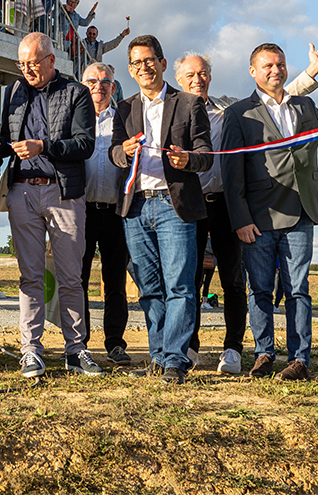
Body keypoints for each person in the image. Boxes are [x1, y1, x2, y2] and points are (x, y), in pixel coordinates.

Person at [175, 37, 318, 374]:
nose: (198, 79)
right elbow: (233, 171)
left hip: (270, 208)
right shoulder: (192, 110)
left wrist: (315, 70)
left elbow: (296, 103)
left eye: (203, 72)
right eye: (191, 74)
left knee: (270, 286)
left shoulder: (238, 108)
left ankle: (282, 356)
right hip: (211, 209)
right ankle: (223, 350)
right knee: (211, 283)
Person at [221, 43, 318, 382]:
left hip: (301, 211)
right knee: (259, 289)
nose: (276, 70)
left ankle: (300, 359)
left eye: (281, 64)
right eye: (267, 65)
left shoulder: (306, 105)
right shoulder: (239, 113)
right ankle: (264, 353)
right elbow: (231, 169)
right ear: (253, 71)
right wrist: (240, 219)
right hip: (259, 215)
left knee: (298, 287)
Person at [0, 32, 103, 378]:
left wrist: (43, 146)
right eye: (22, 64)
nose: (27, 70)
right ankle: (31, 350)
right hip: (22, 191)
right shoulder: (13, 92)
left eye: (32, 63)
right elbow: (4, 141)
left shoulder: (76, 92)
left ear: (51, 61)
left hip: (64, 194)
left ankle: (76, 350)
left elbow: (85, 144)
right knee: (30, 277)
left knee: (71, 277)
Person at [110, 35, 212, 384]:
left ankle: (175, 360)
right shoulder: (123, 108)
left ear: (163, 63)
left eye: (149, 60)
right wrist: (123, 150)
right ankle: (157, 354)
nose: (144, 67)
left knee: (180, 286)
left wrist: (187, 159)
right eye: (136, 63)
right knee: (148, 287)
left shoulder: (188, 103)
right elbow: (114, 154)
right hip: (136, 206)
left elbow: (205, 153)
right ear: (130, 69)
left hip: (174, 203)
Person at [79, 62, 131, 365]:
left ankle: (115, 342)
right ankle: (81, 342)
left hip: (115, 211)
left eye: (105, 81)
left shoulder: (123, 120)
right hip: (81, 211)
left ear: (113, 87)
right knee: (79, 280)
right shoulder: (75, 119)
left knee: (115, 282)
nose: (99, 86)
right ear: (83, 85)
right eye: (93, 81)